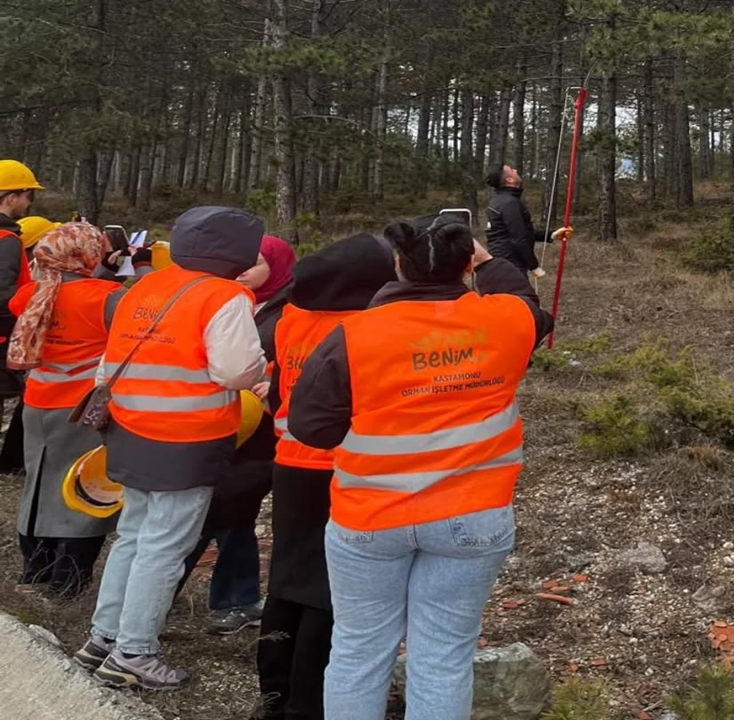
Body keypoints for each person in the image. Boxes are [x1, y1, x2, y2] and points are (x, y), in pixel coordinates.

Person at [288, 215, 553, 720]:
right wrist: (489, 261)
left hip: (369, 516)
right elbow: (532, 307)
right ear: (465, 268)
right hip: (472, 516)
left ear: (397, 265)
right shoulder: (505, 320)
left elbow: (311, 427)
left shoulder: (354, 335)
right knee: (444, 656)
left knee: (358, 650)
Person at [75, 206, 267, 691]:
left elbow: (109, 361)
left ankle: (102, 638)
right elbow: (233, 372)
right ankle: (135, 651)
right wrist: (262, 370)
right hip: (187, 437)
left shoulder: (145, 286)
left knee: (134, 535)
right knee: (166, 546)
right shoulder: (224, 297)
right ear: (238, 253)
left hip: (128, 429)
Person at [254, 233, 396, 720]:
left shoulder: (291, 316)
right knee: (330, 592)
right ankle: (307, 703)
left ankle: (273, 693)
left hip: (290, 464)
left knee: (287, 579)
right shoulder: (367, 327)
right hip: (344, 469)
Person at [176, 235, 296, 635]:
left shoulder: (290, 310)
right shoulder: (222, 298)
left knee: (223, 505)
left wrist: (274, 379)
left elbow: (301, 358)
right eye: (240, 259)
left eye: (256, 261)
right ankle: (237, 598)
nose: (243, 268)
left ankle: (178, 595)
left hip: (259, 429)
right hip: (213, 421)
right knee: (228, 511)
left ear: (277, 267)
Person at [6, 223, 122, 600]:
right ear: (87, 254)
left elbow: (51, 296)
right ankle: (67, 580)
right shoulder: (107, 297)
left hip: (38, 403)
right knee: (82, 491)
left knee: (38, 485)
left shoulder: (29, 294)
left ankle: (34, 569)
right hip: (84, 409)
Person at [0, 162, 44, 473]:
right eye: (28, 195)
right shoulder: (6, 240)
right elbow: (3, 295)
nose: (28, 204)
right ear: (13, 196)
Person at [483, 164, 570, 277]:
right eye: (512, 170)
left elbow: (518, 232)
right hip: (509, 266)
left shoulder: (502, 200)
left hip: (503, 263)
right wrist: (534, 266)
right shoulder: (509, 203)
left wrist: (551, 235)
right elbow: (518, 238)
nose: (515, 170)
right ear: (510, 180)